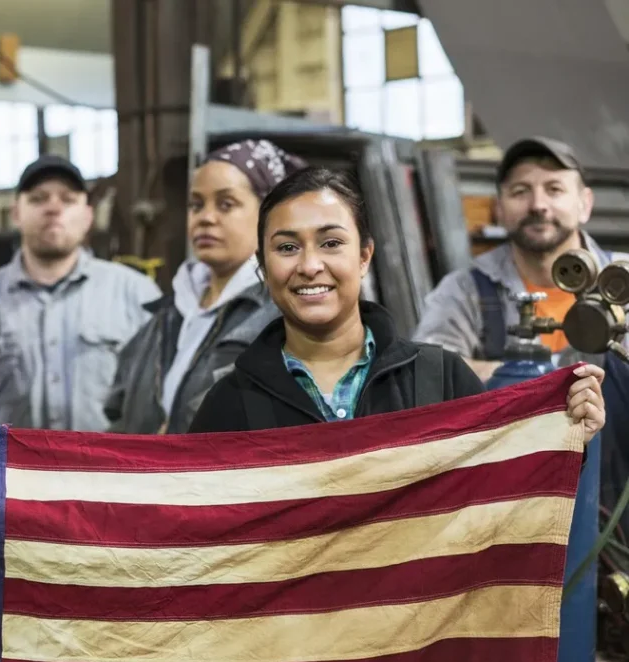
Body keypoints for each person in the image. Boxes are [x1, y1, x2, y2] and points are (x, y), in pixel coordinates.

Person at [188, 166, 605, 437]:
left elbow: (504, 497)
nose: (310, 265)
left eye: (332, 243)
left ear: (364, 255)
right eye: (287, 248)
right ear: (262, 266)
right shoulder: (228, 406)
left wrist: (569, 438)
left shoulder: (442, 381)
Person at [106, 139, 304, 434]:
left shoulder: (283, 317)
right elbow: (119, 415)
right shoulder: (167, 317)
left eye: (226, 204)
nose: (205, 218)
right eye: (196, 205)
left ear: (270, 215)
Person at [414, 136, 629, 381]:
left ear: (585, 203)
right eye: (520, 191)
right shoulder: (465, 289)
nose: (538, 205)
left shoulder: (622, 278)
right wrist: (512, 378)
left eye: (554, 189)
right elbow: (426, 369)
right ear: (499, 210)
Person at [0, 156, 161, 431]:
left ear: (88, 216)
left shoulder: (136, 294)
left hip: (105, 470)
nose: (53, 208)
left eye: (68, 199)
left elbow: (159, 395)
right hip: (8, 471)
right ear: (16, 214)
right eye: (38, 199)